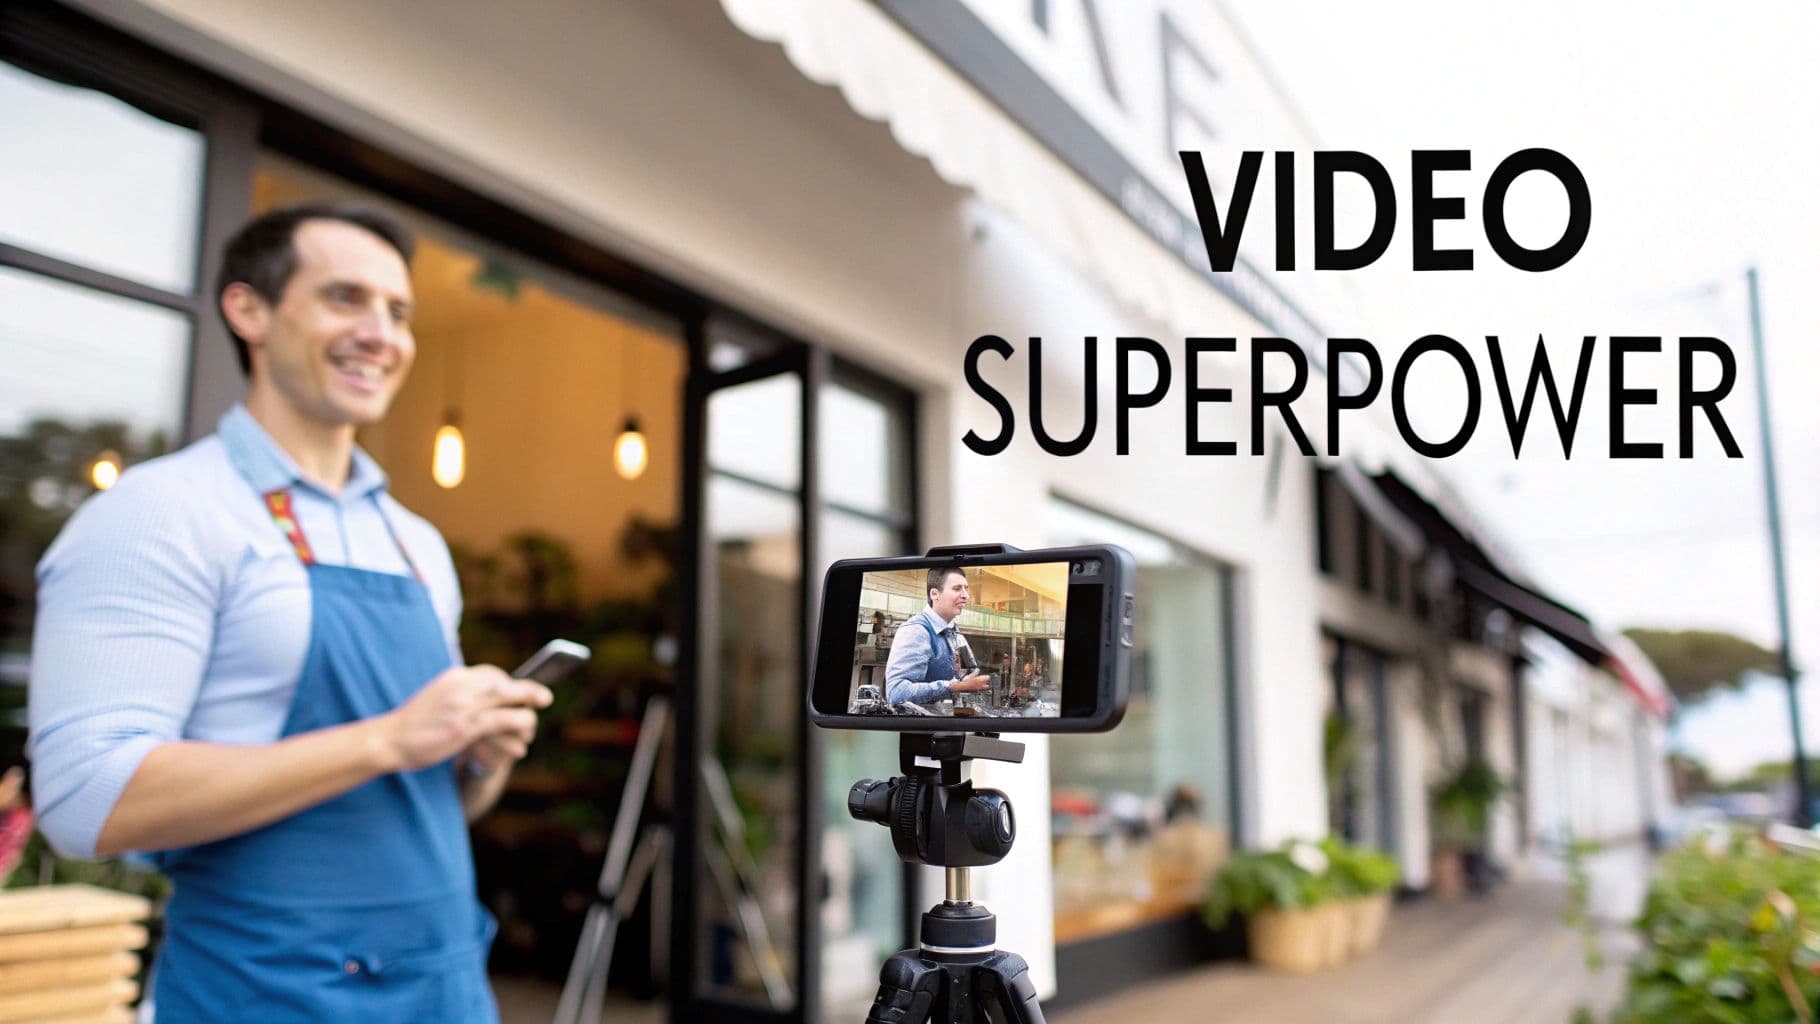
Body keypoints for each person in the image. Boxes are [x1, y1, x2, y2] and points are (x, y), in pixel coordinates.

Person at [26, 202, 551, 1023]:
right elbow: (83, 799)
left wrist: (480, 758)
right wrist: (385, 738)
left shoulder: (414, 541)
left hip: (444, 990)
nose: (382, 333)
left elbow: (440, 798)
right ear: (250, 311)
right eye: (346, 298)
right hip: (265, 992)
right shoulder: (164, 512)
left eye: (398, 311)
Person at [883, 565, 990, 707]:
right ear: (934, 594)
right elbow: (896, 693)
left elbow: (966, 674)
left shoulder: (955, 633)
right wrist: (953, 687)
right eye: (957, 588)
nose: (965, 595)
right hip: (922, 728)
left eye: (966, 588)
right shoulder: (917, 631)